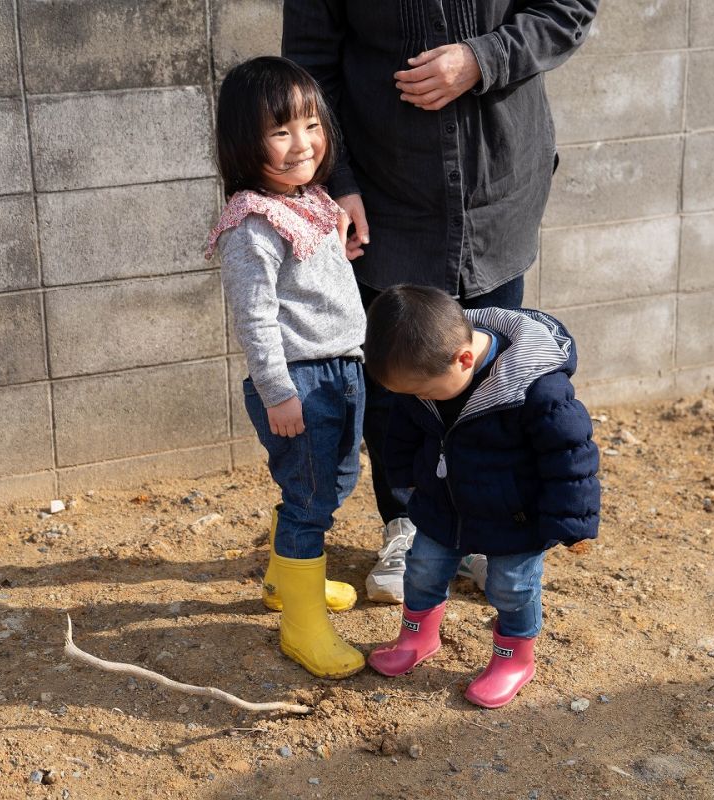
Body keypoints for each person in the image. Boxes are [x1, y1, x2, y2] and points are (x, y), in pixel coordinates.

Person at [283, 1, 600, 603]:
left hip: (498, 185)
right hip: (383, 192)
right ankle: (406, 522)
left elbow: (570, 7)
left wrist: (484, 58)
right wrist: (338, 180)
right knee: (396, 376)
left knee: (494, 376)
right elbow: (310, 66)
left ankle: (492, 530)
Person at [204, 57, 366, 679]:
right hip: (300, 383)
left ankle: (287, 578)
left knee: (334, 482)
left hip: (342, 372)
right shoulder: (252, 223)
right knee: (309, 500)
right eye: (280, 132)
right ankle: (300, 624)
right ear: (246, 142)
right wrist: (278, 392)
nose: (303, 144)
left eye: (311, 125)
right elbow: (256, 319)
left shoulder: (310, 200)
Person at [362, 285, 600, 708]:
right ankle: (418, 639)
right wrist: (404, 476)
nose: (419, 400)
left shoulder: (536, 389)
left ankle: (514, 659)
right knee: (422, 569)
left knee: (511, 586)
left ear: (464, 359)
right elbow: (402, 429)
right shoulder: (426, 375)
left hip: (515, 517)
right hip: (444, 504)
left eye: (425, 393)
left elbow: (570, 456)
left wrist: (573, 522)